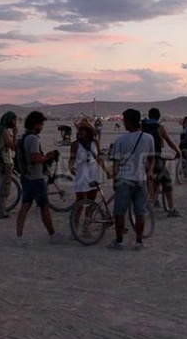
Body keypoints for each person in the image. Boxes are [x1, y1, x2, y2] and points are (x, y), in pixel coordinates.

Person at [107, 109, 156, 250]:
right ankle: (139, 242)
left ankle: (119, 241)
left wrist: (114, 180)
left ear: (129, 121)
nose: (123, 123)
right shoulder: (148, 138)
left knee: (119, 212)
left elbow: (116, 163)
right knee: (140, 212)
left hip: (124, 178)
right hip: (141, 179)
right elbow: (151, 158)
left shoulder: (121, 140)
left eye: (124, 120)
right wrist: (150, 171)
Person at [13, 111, 60, 242]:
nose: (42, 127)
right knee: (44, 207)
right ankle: (52, 235)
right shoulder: (33, 138)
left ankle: (19, 236)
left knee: (24, 207)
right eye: (41, 124)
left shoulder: (24, 136)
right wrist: (48, 157)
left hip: (26, 177)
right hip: (36, 178)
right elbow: (36, 157)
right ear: (36, 124)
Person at [141, 107, 181, 217]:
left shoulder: (142, 127)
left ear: (149, 116)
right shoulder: (159, 128)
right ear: (158, 117)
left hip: (142, 159)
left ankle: (155, 199)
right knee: (167, 181)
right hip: (155, 158)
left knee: (153, 178)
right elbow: (169, 142)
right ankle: (171, 208)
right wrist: (177, 151)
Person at [70, 120, 103, 210]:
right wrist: (70, 167)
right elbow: (72, 159)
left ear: (88, 131)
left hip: (93, 174)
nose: (80, 132)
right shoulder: (75, 145)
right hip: (81, 174)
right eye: (79, 130)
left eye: (82, 130)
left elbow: (99, 158)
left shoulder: (95, 143)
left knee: (91, 200)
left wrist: (106, 171)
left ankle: (87, 220)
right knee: (80, 202)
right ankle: (76, 222)